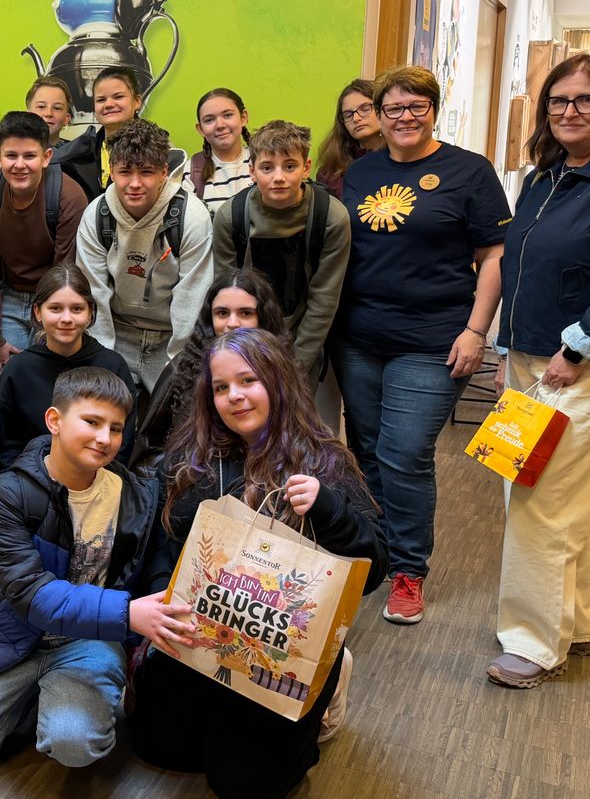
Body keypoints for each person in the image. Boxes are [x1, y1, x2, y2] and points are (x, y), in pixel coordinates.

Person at [129, 328, 388, 798]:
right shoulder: (193, 457)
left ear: (277, 381)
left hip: (281, 649)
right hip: (200, 634)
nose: (235, 396)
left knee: (244, 784)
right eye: (221, 387)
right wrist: (163, 598)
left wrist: (330, 508)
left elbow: (374, 570)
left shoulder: (324, 461)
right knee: (160, 749)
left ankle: (330, 682)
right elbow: (161, 545)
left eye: (248, 380)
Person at [333, 65, 510, 626]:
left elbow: (495, 255)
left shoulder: (468, 171)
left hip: (435, 340)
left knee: (405, 453)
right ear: (378, 117)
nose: (405, 118)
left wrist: (477, 331)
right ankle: (378, 549)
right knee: (365, 451)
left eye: (416, 107)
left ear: (433, 110)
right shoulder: (361, 173)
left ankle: (409, 569)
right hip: (359, 338)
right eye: (393, 109)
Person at [0, 367, 156, 777]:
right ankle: (31, 698)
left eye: (116, 429)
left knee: (77, 745)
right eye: (92, 422)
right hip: (15, 634)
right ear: (55, 421)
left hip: (91, 638)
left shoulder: (135, 494)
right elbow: (30, 593)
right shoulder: (9, 492)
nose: (105, 438)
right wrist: (129, 614)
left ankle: (54, 697)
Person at [489, 53, 590, 687]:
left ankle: (532, 641)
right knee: (551, 497)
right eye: (558, 101)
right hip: (527, 359)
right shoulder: (542, 178)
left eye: (584, 100)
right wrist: (504, 350)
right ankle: (572, 622)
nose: (570, 112)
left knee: (538, 500)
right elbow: (516, 263)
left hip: (570, 367)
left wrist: (576, 348)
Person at [76, 118, 213, 393]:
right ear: (111, 172)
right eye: (125, 172)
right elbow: (94, 294)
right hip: (117, 331)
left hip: (171, 335)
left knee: (176, 421)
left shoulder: (191, 217)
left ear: (164, 171)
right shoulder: (96, 215)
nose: (135, 184)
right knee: (105, 408)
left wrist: (179, 365)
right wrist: (102, 359)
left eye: (146, 172)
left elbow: (192, 300)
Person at [212, 119, 351, 376]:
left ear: (306, 167)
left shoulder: (331, 216)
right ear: (252, 171)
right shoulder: (231, 216)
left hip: (303, 340)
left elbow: (323, 299)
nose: (279, 178)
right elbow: (226, 296)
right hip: (246, 338)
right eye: (267, 167)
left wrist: (295, 367)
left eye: (289, 166)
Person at [0, 111, 87, 385]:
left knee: (47, 380)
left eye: (30, 156)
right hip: (7, 295)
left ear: (46, 157)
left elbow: (66, 272)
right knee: (1, 382)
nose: (20, 165)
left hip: (53, 299)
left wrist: (49, 328)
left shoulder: (69, 197)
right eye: (11, 156)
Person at [135, 268, 287, 463]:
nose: (232, 323)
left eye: (245, 313)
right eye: (222, 313)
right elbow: (149, 446)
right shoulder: (183, 367)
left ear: (262, 319)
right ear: (210, 319)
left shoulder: (283, 368)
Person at [0, 264, 135, 469]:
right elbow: (7, 446)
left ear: (90, 313)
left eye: (77, 309)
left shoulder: (113, 366)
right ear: (38, 312)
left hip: (99, 480)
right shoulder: (17, 370)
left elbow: (123, 443)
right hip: (31, 483)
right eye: (55, 308)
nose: (66, 319)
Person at [50, 66, 144, 200]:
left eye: (118, 97)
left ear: (137, 101)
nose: (109, 104)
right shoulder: (78, 153)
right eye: (101, 100)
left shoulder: (157, 149)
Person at [187, 87, 253, 213]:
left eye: (228, 115)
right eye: (209, 120)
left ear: (243, 117)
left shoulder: (265, 162)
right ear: (200, 129)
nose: (220, 125)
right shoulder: (190, 173)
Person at [316, 79, 385, 199]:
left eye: (365, 109)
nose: (356, 118)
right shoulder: (331, 172)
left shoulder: (402, 157)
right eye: (348, 114)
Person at [25, 74, 72, 147]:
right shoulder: (11, 154)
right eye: (41, 106)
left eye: (57, 108)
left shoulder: (78, 155)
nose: (48, 113)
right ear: (27, 116)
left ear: (66, 119)